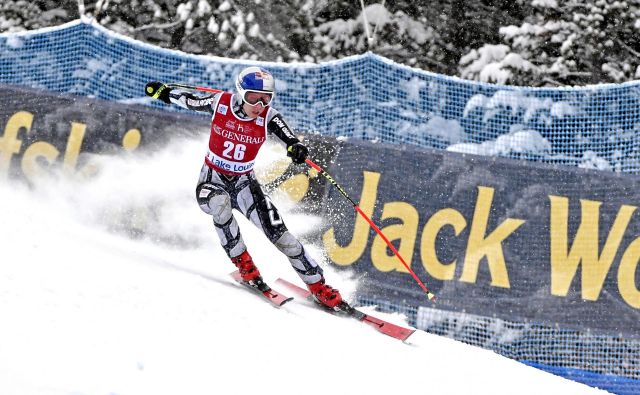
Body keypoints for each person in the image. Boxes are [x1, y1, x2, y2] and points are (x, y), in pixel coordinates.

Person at [144, 66, 343, 308]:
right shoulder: (221, 103)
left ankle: (318, 285)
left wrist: (295, 147)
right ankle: (244, 264)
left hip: (245, 185)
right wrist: (164, 93)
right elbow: (189, 100)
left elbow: (288, 137)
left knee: (282, 237)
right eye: (253, 97)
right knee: (220, 204)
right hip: (212, 180)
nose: (259, 105)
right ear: (240, 93)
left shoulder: (269, 117)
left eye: (265, 99)